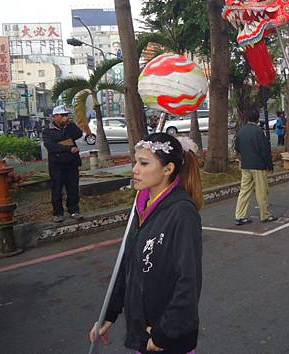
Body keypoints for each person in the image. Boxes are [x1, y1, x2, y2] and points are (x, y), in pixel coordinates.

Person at [90, 133, 203, 354]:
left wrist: (164, 334)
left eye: (143, 163)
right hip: (143, 329)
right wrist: (109, 314)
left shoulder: (182, 212)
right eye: (135, 162)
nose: (135, 170)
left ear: (168, 169)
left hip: (167, 338)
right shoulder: (141, 206)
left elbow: (188, 281)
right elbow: (127, 264)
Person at [234, 109, 277, 225]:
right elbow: (265, 150)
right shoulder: (258, 132)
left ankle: (240, 215)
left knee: (244, 190)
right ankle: (265, 215)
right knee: (262, 191)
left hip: (245, 164)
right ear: (258, 119)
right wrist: (269, 165)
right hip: (258, 165)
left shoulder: (241, 131)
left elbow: (237, 148)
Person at [42, 105, 84, 223]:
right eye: (63, 115)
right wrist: (67, 148)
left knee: (73, 188)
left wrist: (70, 124)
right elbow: (50, 146)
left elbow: (79, 134)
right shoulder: (48, 130)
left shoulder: (69, 127)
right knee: (57, 189)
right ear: (55, 116)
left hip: (71, 163)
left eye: (66, 115)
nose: (65, 117)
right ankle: (58, 213)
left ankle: (74, 210)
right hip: (57, 165)